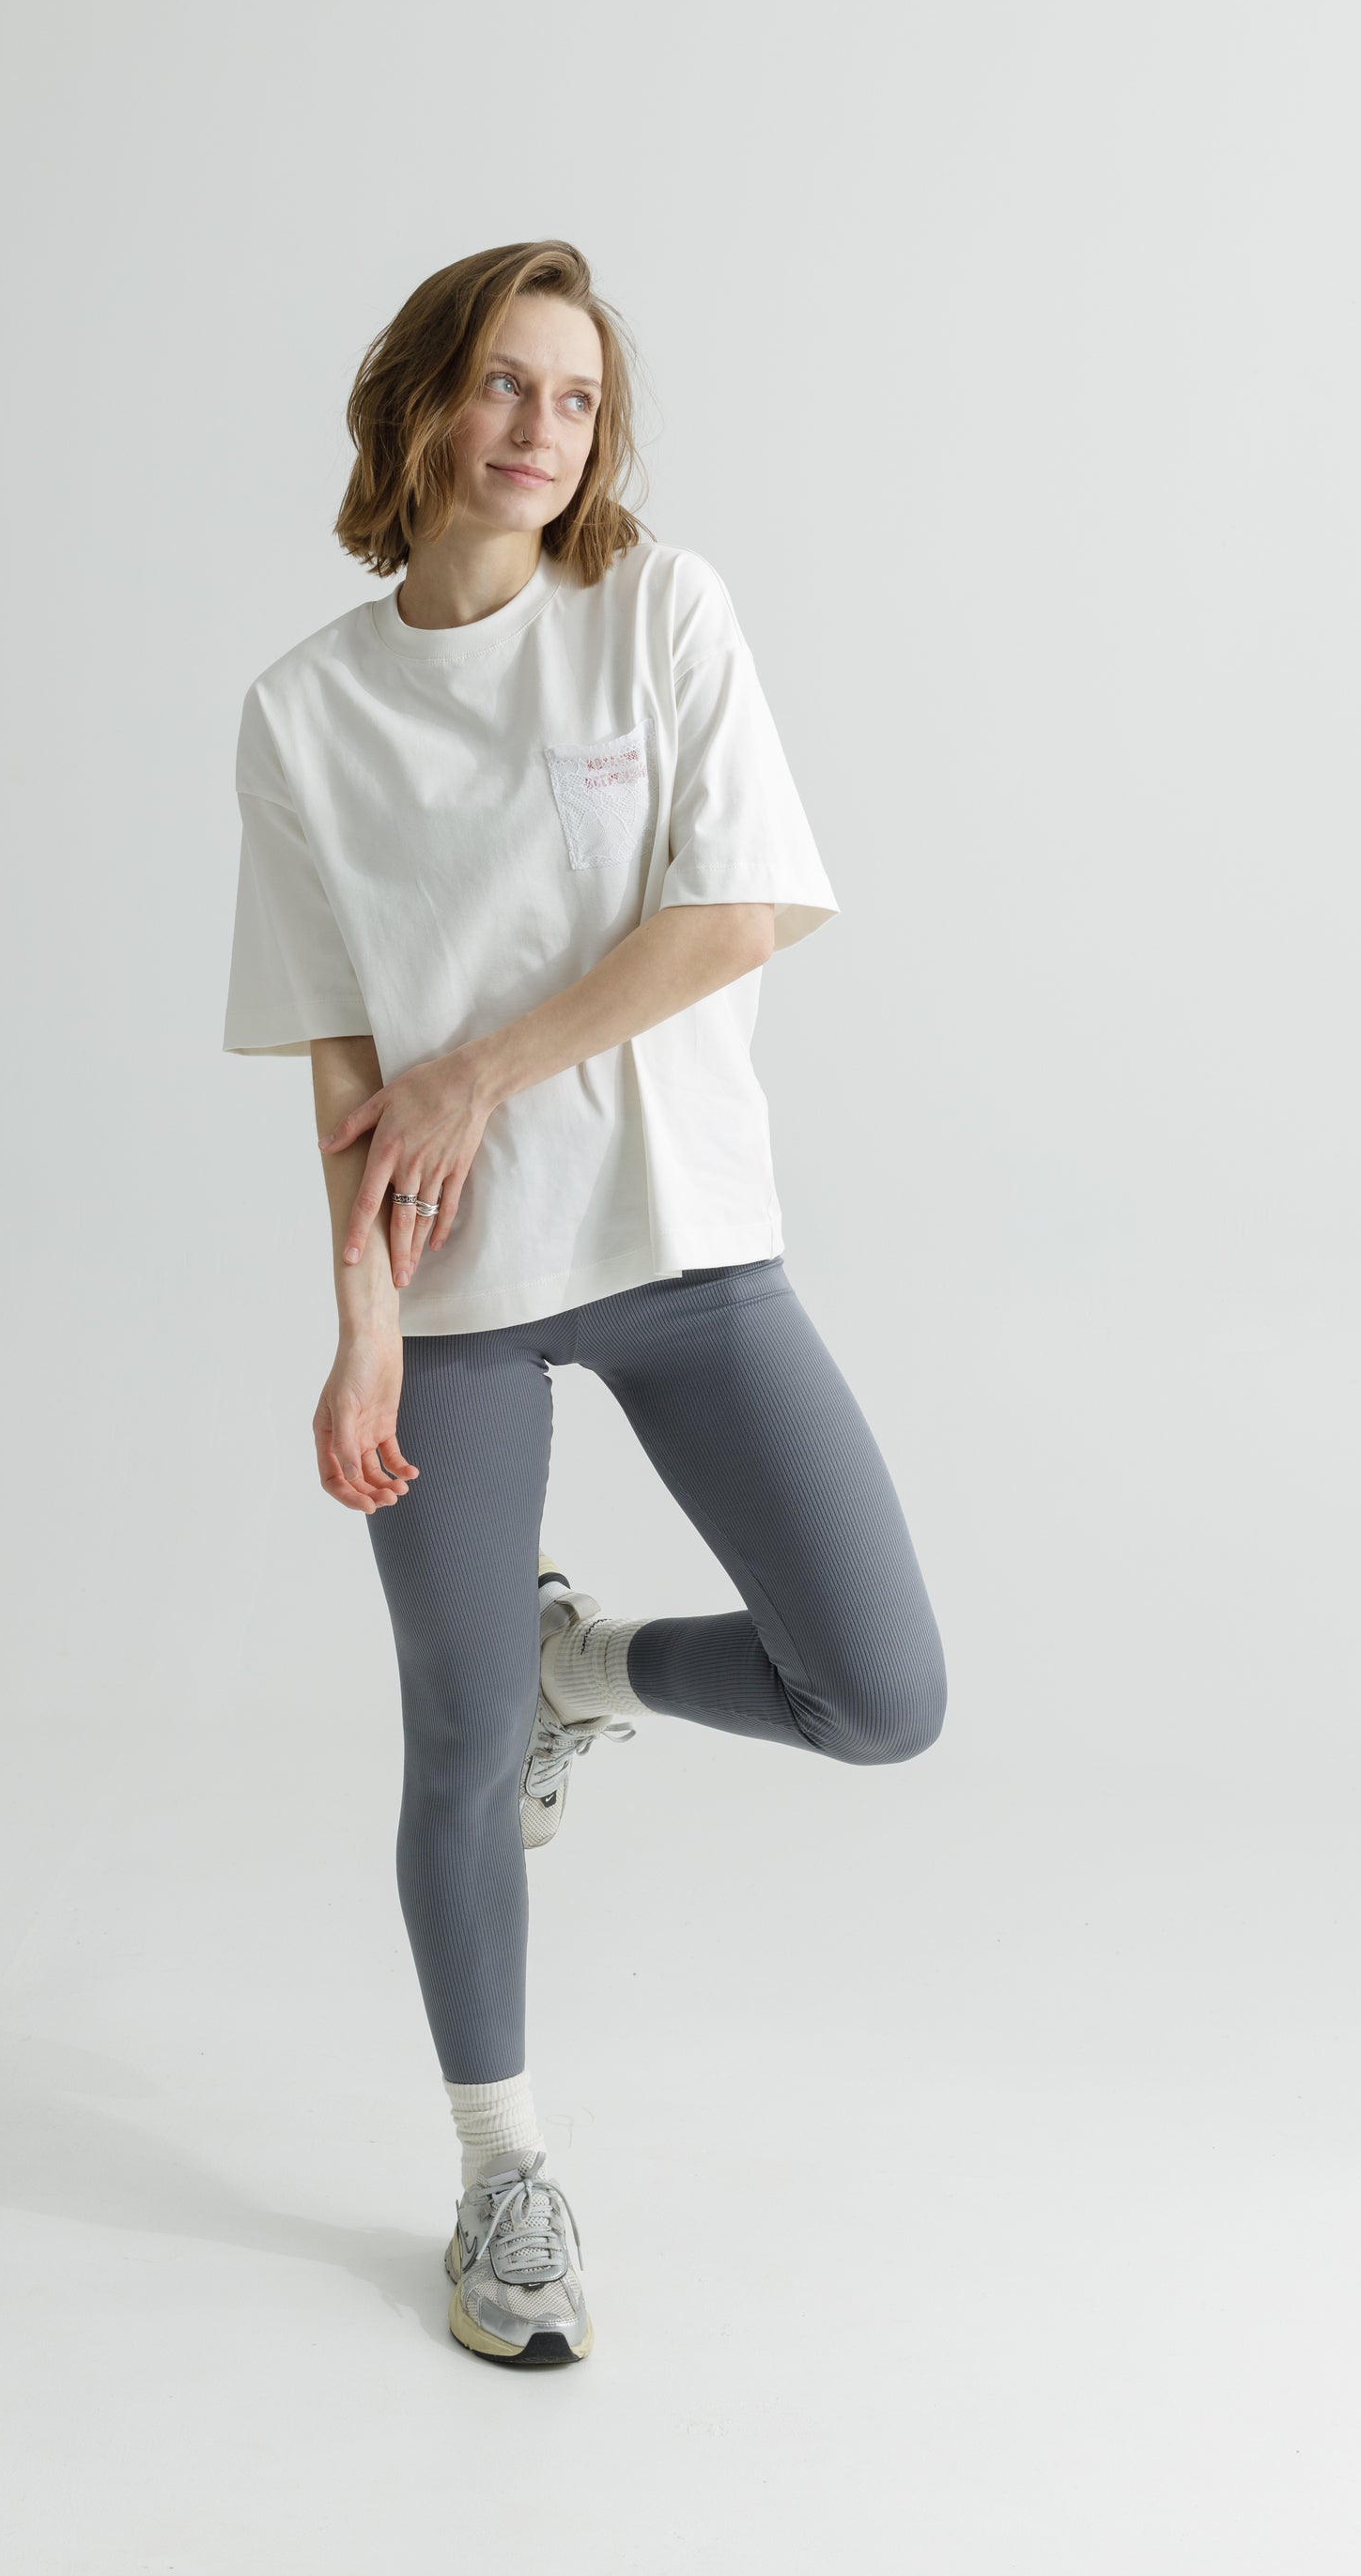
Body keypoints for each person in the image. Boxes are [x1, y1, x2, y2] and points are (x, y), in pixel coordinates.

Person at [223, 240, 946, 2367]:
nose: (542, 430)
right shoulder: (302, 714)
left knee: (880, 1695)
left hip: (683, 1244)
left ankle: (593, 1665)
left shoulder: (656, 613)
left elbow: (739, 915)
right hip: (452, 1292)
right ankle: (500, 2174)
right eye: (503, 384)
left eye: (577, 397)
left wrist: (480, 1071)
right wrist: (364, 1317)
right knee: (454, 1742)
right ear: (418, 400)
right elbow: (342, 1063)